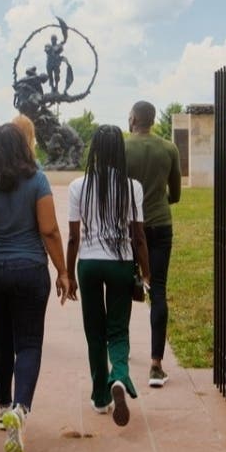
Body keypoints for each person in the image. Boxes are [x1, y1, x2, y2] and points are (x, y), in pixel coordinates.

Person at [0, 123, 73, 452]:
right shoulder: (37, 181)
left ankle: (3, 407)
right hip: (29, 270)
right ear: (23, 148)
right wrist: (63, 271)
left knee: (2, 337)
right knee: (29, 343)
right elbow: (49, 230)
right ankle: (21, 409)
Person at [66, 124, 150, 426]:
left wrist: (68, 275)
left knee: (95, 332)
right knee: (118, 330)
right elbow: (138, 236)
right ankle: (120, 377)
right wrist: (147, 274)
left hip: (89, 265)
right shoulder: (132, 186)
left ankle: (100, 398)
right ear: (120, 152)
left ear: (95, 151)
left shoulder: (78, 186)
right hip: (120, 264)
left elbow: (73, 237)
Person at [124, 100, 182, 388]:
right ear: (153, 119)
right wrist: (158, 200)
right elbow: (176, 194)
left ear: (133, 119)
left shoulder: (122, 148)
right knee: (158, 290)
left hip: (129, 228)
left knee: (123, 287)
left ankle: (121, 349)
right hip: (160, 225)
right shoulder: (169, 148)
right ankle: (156, 365)